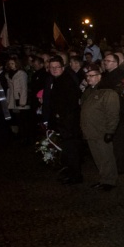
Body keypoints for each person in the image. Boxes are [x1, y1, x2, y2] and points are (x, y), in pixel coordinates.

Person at [43, 56, 84, 184]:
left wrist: (61, 117)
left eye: (57, 67)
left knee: (72, 150)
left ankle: (75, 176)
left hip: (69, 124)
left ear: (63, 67)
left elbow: (70, 103)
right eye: (52, 67)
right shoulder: (57, 80)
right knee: (67, 149)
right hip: (64, 123)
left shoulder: (66, 81)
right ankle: (70, 172)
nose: (54, 69)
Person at [80, 64, 120, 191]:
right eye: (87, 76)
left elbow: (113, 113)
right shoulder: (89, 91)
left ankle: (110, 181)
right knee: (98, 157)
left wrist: (110, 131)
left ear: (99, 76)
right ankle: (103, 178)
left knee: (106, 157)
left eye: (92, 76)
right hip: (91, 131)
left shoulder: (107, 92)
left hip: (101, 131)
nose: (89, 78)